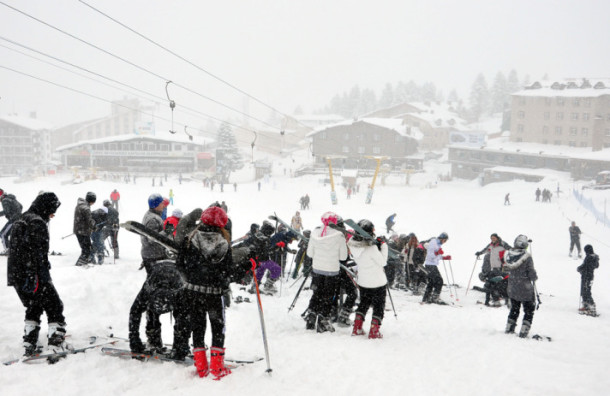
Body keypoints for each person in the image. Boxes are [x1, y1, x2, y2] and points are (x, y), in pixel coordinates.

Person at [169, 206, 248, 379]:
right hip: (213, 295)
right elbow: (228, 274)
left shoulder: (189, 239)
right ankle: (217, 368)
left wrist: (191, 279)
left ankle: (201, 367)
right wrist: (247, 266)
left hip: (192, 293)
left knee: (198, 327)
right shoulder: (223, 244)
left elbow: (180, 265)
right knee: (217, 328)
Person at [7, 192, 66, 356]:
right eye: (52, 210)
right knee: (54, 305)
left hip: (17, 274)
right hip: (33, 274)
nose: (53, 215)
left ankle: (29, 340)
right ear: (45, 207)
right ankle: (56, 341)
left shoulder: (22, 218)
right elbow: (34, 253)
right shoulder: (37, 223)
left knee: (34, 305)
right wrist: (36, 277)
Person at [303, 212, 348, 333]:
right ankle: (323, 319)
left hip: (317, 269)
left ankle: (311, 314)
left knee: (317, 293)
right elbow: (343, 257)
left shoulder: (315, 233)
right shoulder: (339, 235)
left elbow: (309, 254)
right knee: (328, 296)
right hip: (331, 271)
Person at [128, 259, 184, 354]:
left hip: (176, 272)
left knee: (182, 315)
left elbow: (186, 318)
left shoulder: (181, 292)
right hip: (158, 273)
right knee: (152, 314)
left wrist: (182, 345)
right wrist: (134, 338)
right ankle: (154, 339)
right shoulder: (147, 291)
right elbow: (134, 311)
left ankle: (178, 345)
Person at [348, 220, 388, 339]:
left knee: (364, 303)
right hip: (377, 281)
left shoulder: (352, 244)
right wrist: (383, 245)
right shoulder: (371, 248)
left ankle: (357, 327)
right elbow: (383, 262)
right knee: (379, 305)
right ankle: (374, 331)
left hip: (363, 281)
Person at [503, 235, 537, 338]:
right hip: (525, 288)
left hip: (512, 287)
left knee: (514, 308)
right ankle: (524, 331)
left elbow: (505, 269)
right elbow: (531, 274)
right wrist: (534, 276)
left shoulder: (508, 255)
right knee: (529, 309)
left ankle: (509, 328)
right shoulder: (527, 257)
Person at [476, 233, 511, 306]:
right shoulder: (491, 245)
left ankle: (506, 298)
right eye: (491, 238)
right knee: (495, 282)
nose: (493, 239)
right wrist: (479, 253)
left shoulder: (502, 244)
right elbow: (485, 250)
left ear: (497, 238)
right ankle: (497, 297)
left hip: (502, 265)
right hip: (494, 266)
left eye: (494, 238)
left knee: (503, 281)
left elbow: (510, 249)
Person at [140, 194, 168, 275]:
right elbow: (151, 239)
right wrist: (167, 231)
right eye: (161, 203)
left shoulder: (151, 215)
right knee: (155, 282)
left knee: (153, 281)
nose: (163, 205)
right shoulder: (153, 219)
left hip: (151, 254)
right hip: (153, 255)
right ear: (156, 205)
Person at [421, 232, 451, 304]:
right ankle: (435, 298)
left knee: (431, 282)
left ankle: (426, 298)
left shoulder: (438, 244)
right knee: (439, 281)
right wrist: (437, 253)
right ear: (442, 238)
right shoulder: (433, 242)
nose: (445, 242)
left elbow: (436, 256)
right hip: (430, 265)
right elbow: (430, 255)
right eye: (445, 240)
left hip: (431, 264)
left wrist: (444, 257)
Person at [73, 192, 97, 266]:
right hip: (83, 231)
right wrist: (94, 226)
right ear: (92, 201)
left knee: (86, 249)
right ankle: (80, 265)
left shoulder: (80, 205)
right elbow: (89, 221)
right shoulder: (86, 208)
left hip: (79, 230)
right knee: (86, 250)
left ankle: (85, 262)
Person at [577, 244, 599, 317]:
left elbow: (586, 266)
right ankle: (586, 306)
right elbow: (595, 266)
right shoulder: (594, 257)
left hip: (587, 276)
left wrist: (579, 268)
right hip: (589, 276)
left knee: (586, 291)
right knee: (584, 291)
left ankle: (591, 307)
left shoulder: (590, 257)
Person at [0, 188, 23, 253]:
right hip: (19, 219)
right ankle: (13, 249)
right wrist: (17, 213)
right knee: (13, 235)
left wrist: (13, 216)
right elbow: (21, 206)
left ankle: (7, 250)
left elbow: (6, 211)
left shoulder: (5, 200)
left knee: (3, 234)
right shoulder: (12, 198)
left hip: (13, 220)